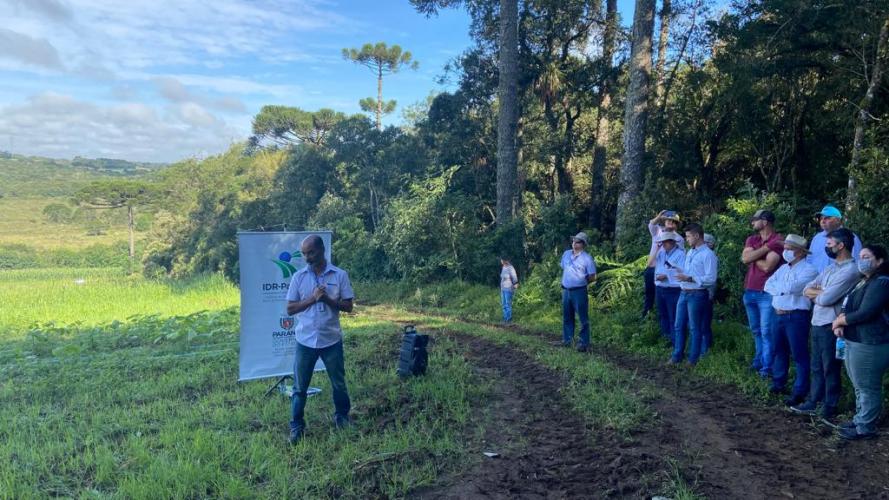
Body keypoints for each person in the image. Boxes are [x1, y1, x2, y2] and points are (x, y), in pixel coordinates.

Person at [285, 235, 355, 444]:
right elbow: (290, 309)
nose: (307, 257)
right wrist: (312, 299)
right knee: (299, 388)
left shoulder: (339, 275)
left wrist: (326, 299)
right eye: (304, 254)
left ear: (322, 250)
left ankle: (342, 418)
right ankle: (297, 426)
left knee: (339, 384)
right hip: (305, 341)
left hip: (331, 339)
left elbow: (349, 306)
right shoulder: (299, 277)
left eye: (311, 253)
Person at [791, 228, 860, 421]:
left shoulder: (851, 270)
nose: (827, 247)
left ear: (841, 245)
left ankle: (830, 405)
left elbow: (827, 298)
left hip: (833, 324)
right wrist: (819, 292)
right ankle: (814, 401)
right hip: (818, 321)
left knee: (830, 366)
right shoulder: (831, 267)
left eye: (829, 244)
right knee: (816, 365)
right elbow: (806, 289)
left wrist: (819, 293)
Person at [830, 245, 889, 440]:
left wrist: (840, 321)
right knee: (859, 384)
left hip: (870, 342)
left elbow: (866, 312)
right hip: (854, 339)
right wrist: (840, 321)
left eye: (866, 256)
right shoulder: (863, 281)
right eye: (860, 256)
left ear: (879, 261)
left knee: (867, 386)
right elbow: (850, 306)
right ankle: (859, 420)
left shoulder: (881, 283)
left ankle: (865, 428)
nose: (861, 260)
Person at [763, 234, 818, 406]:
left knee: (799, 353)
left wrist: (780, 289)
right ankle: (779, 383)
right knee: (779, 350)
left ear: (800, 252)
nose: (785, 251)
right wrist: (782, 290)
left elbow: (793, 288)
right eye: (785, 248)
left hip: (795, 316)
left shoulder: (810, 270)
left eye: (789, 249)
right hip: (778, 313)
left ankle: (800, 391)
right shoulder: (782, 269)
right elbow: (767, 285)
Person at [741, 209, 784, 378]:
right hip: (750, 291)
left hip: (767, 293)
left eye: (755, 220)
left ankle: (766, 369)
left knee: (767, 332)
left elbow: (768, 266)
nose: (752, 222)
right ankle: (758, 362)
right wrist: (765, 249)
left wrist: (753, 255)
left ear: (765, 222)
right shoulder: (753, 239)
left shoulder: (778, 240)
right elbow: (745, 259)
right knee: (756, 331)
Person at [670, 223, 718, 366]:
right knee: (678, 325)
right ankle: (677, 356)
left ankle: (692, 359)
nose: (687, 239)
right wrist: (680, 271)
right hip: (684, 292)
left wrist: (690, 278)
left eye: (689, 236)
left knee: (694, 327)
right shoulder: (690, 252)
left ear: (697, 236)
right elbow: (689, 271)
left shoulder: (708, 255)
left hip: (697, 294)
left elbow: (711, 278)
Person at [560, 232, 597, 352]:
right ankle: (567, 340)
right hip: (566, 290)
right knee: (567, 316)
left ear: (583, 244)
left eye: (578, 242)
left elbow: (592, 276)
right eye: (574, 241)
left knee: (582, 318)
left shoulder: (587, 258)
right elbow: (563, 268)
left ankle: (583, 343)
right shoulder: (566, 254)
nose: (574, 243)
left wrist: (582, 280)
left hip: (579, 291)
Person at [644, 210, 684, 318]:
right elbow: (651, 224)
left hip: (666, 270)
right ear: (664, 221)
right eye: (668, 220)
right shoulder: (658, 231)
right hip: (652, 267)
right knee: (649, 294)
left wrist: (670, 271)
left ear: (677, 224)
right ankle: (646, 316)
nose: (670, 222)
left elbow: (678, 256)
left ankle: (659, 319)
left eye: (673, 221)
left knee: (661, 295)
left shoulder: (679, 238)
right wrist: (659, 216)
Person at [807, 204, 862, 273]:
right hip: (815, 281)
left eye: (827, 218)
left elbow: (856, 263)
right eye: (821, 218)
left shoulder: (850, 237)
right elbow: (809, 260)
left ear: (838, 220)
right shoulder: (817, 238)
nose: (823, 221)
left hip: (839, 280)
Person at [654, 231, 685, 345]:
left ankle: (675, 342)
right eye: (662, 242)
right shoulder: (661, 253)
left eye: (665, 242)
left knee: (673, 317)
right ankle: (665, 340)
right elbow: (651, 262)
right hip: (660, 287)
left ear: (672, 242)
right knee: (663, 315)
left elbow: (682, 271)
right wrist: (656, 249)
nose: (663, 244)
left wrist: (666, 275)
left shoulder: (681, 254)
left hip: (673, 289)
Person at [701, 233, 718, 354]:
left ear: (710, 244)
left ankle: (705, 351)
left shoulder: (712, 257)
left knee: (704, 325)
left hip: (707, 294)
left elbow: (709, 279)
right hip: (700, 293)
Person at [499, 257, 519, 323]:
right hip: (503, 289)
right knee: (503, 304)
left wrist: (515, 283)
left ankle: (509, 319)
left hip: (508, 288)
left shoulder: (511, 268)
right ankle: (505, 318)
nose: (501, 261)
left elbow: (514, 277)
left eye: (502, 259)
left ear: (505, 260)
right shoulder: (503, 267)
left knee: (508, 304)